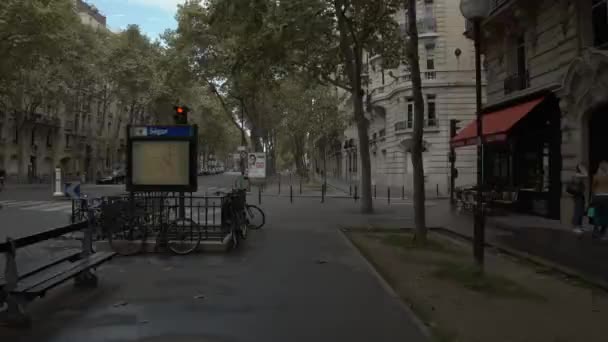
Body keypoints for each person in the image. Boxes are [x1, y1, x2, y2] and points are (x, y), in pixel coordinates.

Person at [591, 160, 608, 239]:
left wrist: (592, 198)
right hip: (606, 197)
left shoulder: (596, 176)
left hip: (597, 197)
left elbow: (593, 188)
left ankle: (595, 231)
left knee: (597, 215)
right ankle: (603, 231)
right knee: (605, 215)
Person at [568, 164, 587, 234]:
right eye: (582, 167)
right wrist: (582, 168)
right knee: (578, 211)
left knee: (581, 211)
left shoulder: (579, 175)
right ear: (579, 168)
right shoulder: (576, 174)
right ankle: (575, 227)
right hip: (577, 195)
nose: (584, 168)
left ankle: (579, 226)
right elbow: (586, 174)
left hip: (580, 195)